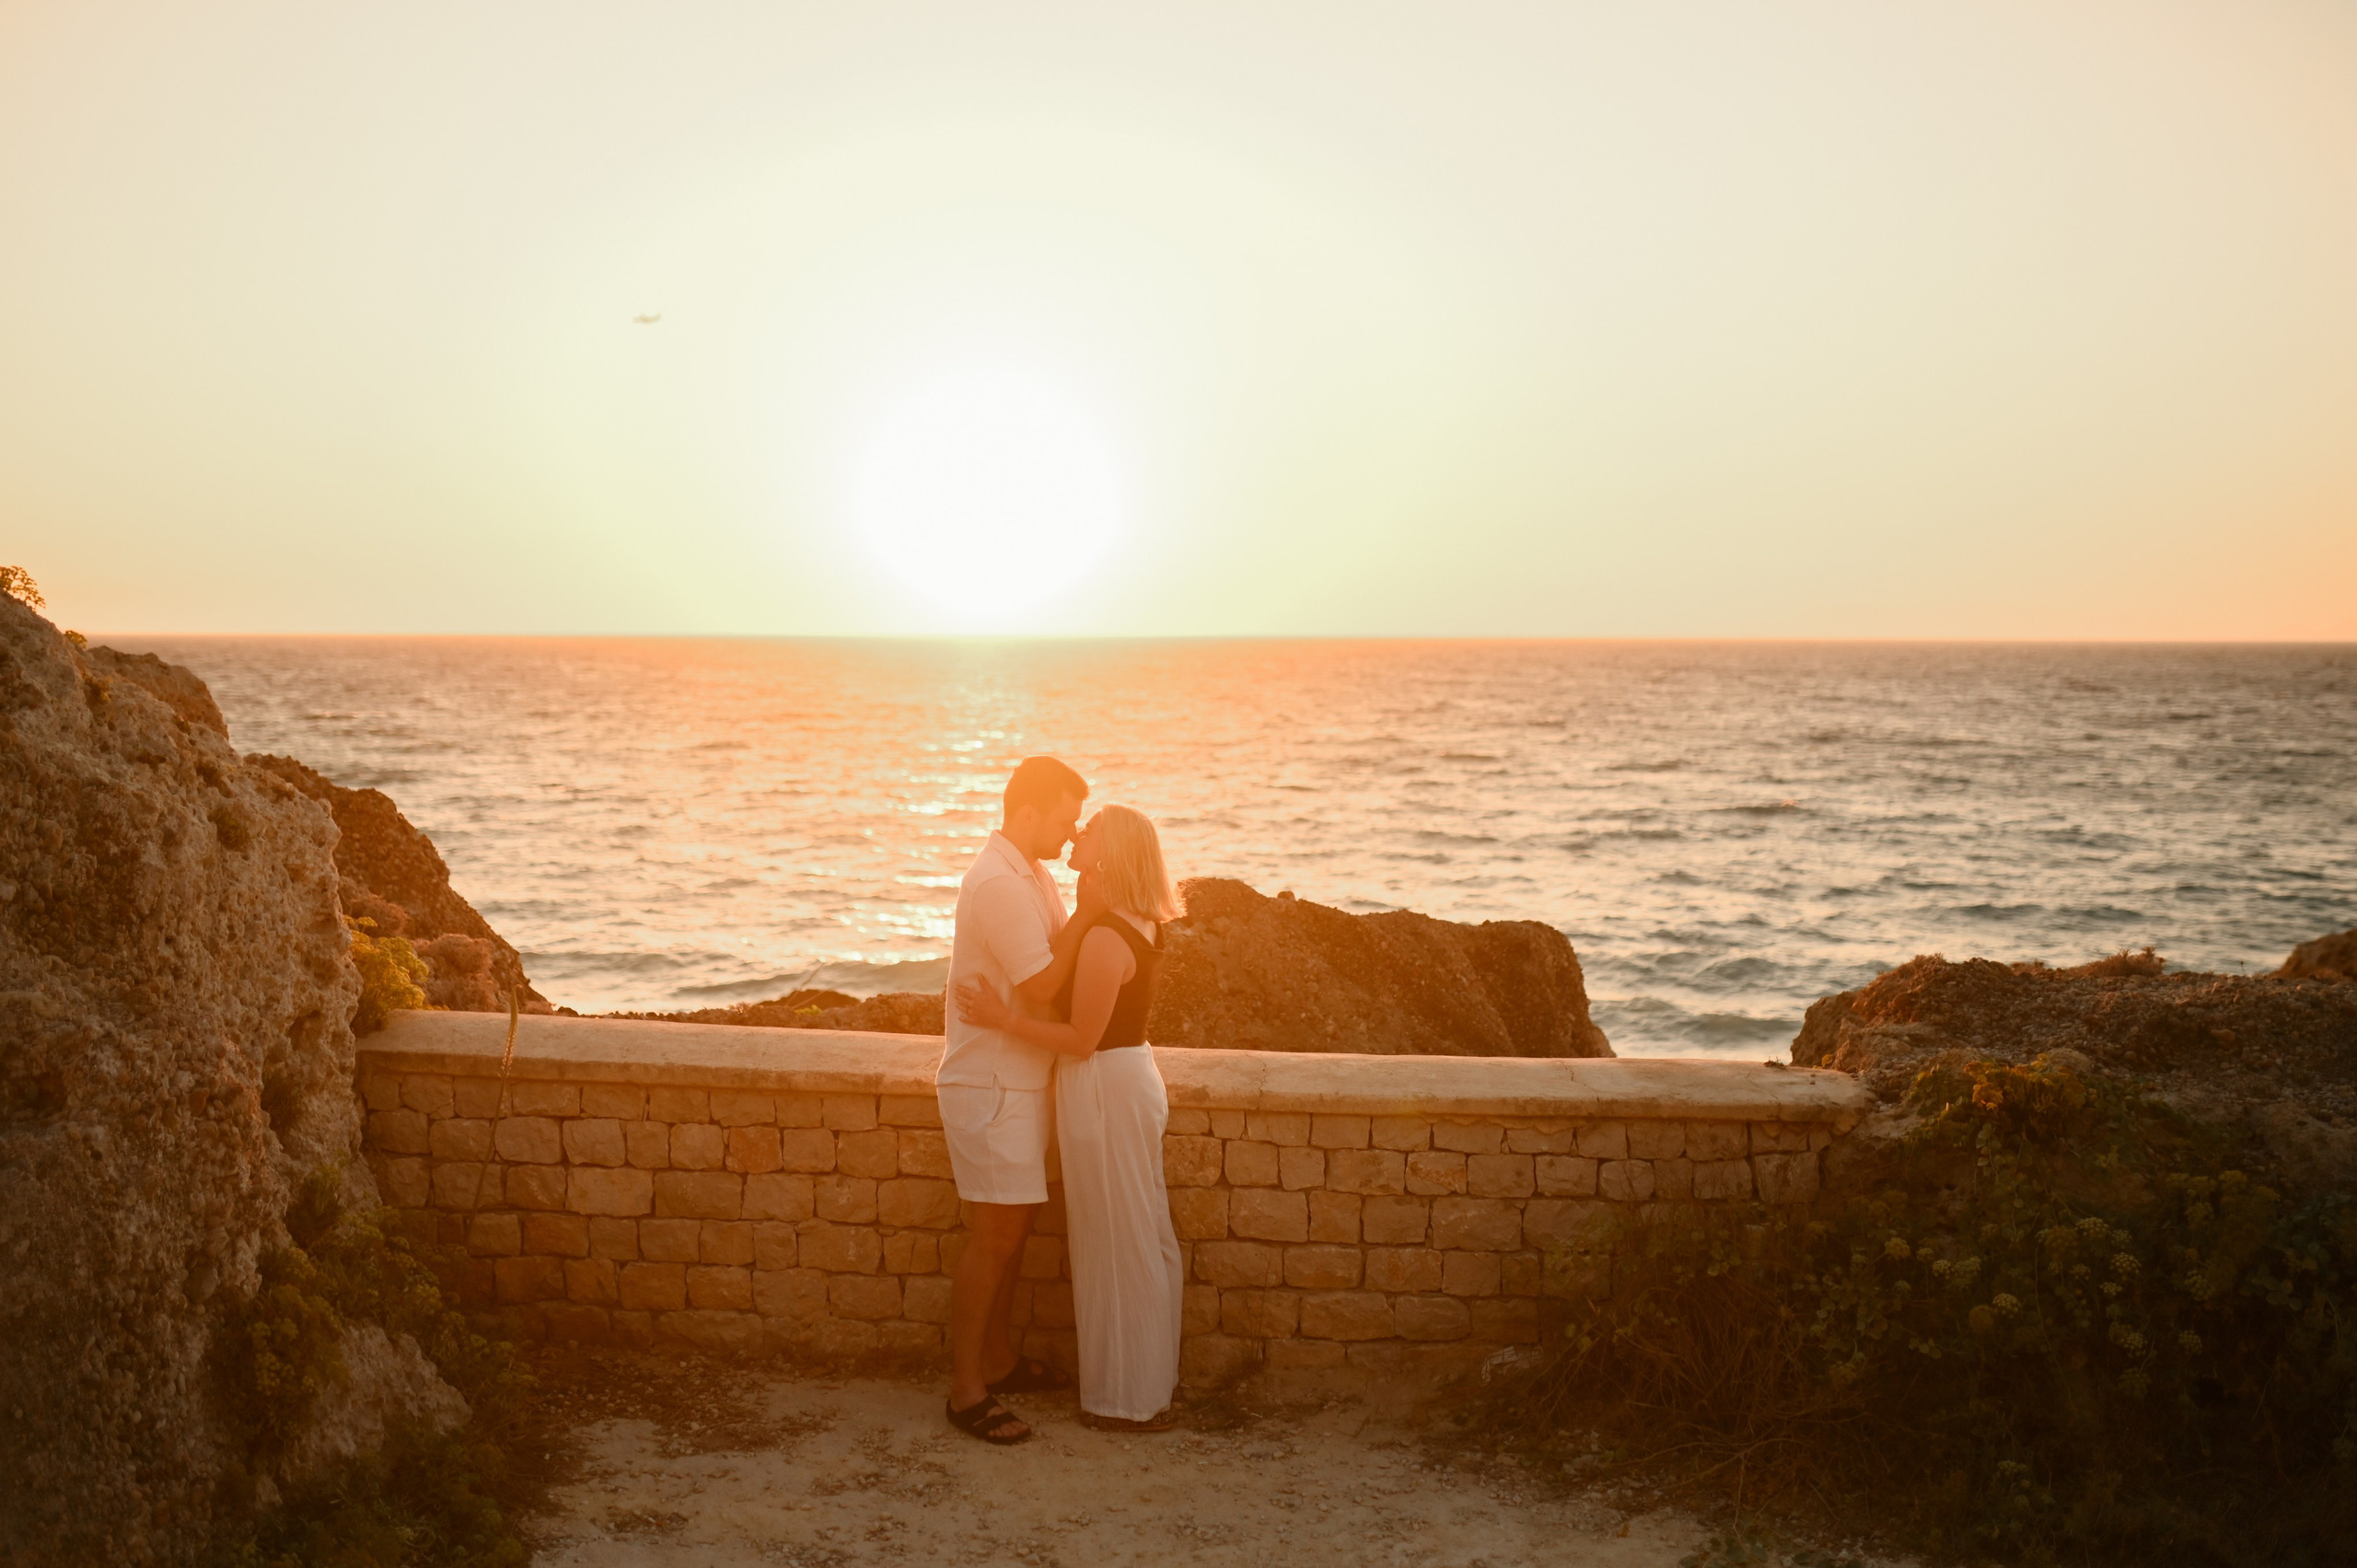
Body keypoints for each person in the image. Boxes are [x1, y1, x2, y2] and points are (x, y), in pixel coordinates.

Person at [957, 803, 1187, 1433]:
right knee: (1138, 1233)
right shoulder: (1124, 920)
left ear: (1109, 855)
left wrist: (1003, 1020)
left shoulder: (1110, 933)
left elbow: (1082, 1036)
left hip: (1106, 1084)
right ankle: (1144, 1388)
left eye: (1091, 829)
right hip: (1122, 1079)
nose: (1078, 832)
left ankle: (1126, 1400)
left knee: (1117, 1242)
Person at [938, 755, 1097, 1445]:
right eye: (1065, 817)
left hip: (1022, 1081)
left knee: (1016, 1229)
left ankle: (999, 1359)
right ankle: (966, 1390)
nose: (1073, 832)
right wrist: (1094, 914)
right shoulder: (996, 884)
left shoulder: (1030, 871)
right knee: (994, 1236)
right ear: (1028, 811)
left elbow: (1056, 958)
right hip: (992, 1085)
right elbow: (1041, 985)